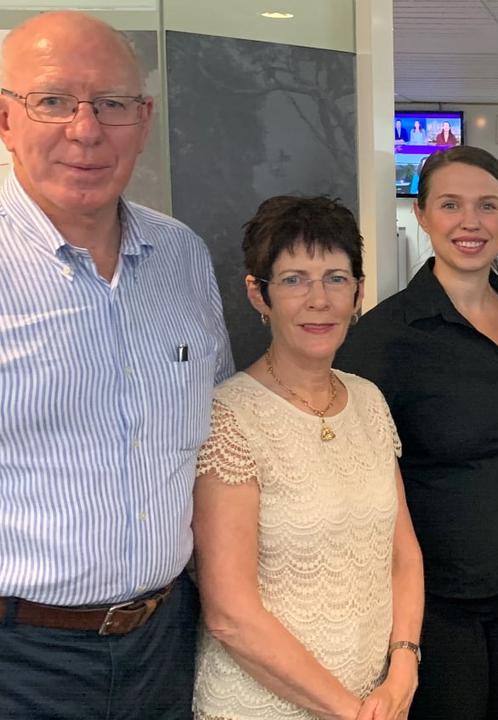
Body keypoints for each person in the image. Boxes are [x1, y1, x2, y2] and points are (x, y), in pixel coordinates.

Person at [0, 11, 233, 720]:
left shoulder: (183, 257)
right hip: (19, 660)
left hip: (164, 642)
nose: (86, 129)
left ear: (145, 117)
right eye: (53, 101)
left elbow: (218, 435)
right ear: (5, 120)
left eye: (112, 104)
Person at [335, 146, 498, 720]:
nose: (471, 222)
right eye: (450, 204)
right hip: (436, 602)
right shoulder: (384, 338)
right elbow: (352, 477)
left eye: (487, 205)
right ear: (422, 215)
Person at [191, 196, 424, 720]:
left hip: (376, 694)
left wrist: (404, 663)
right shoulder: (229, 417)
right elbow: (230, 615)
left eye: (336, 278)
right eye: (294, 279)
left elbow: (403, 554)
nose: (318, 300)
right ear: (260, 294)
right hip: (264, 704)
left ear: (359, 292)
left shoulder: (367, 400)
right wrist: (351, 710)